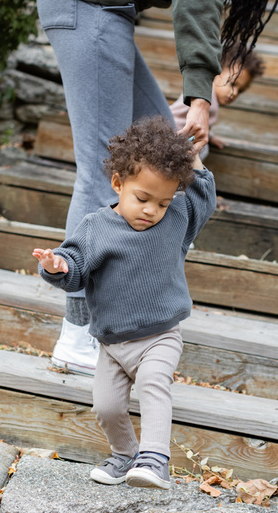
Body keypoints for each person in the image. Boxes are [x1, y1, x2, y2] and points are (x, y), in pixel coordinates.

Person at [36, 0, 278, 375]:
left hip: (103, 3)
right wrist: (200, 96)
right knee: (108, 173)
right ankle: (77, 336)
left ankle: (139, 304)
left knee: (163, 156)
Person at [32, 116, 216, 490]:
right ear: (118, 184)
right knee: (107, 407)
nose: (152, 210)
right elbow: (76, 268)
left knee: (153, 384)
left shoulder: (177, 219)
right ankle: (125, 455)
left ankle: (155, 459)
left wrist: (192, 158)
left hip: (160, 335)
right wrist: (57, 265)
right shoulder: (97, 227)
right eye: (143, 198)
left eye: (163, 202)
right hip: (112, 344)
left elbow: (204, 195)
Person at [170, 47, 265, 159]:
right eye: (233, 84)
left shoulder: (209, 99)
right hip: (172, 137)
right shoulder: (202, 97)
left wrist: (210, 136)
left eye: (240, 91)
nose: (234, 93)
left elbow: (199, 124)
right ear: (216, 73)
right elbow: (175, 116)